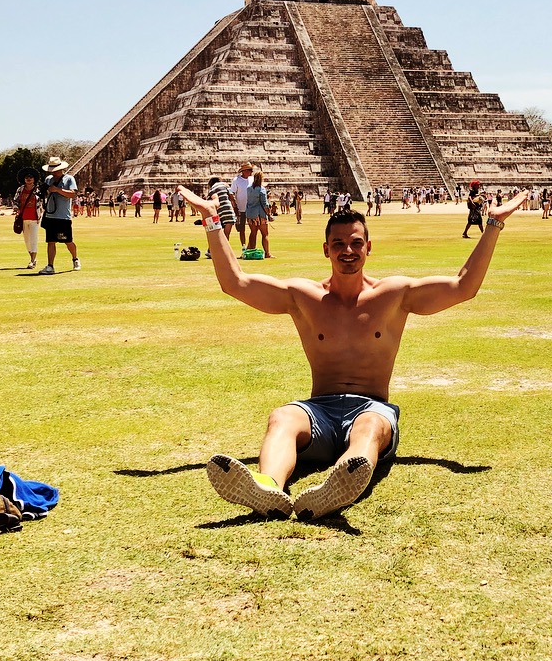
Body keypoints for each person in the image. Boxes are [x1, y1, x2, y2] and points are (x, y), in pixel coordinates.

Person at [178, 184, 531, 520]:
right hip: (318, 411)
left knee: (370, 426)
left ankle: (338, 484)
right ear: (326, 250)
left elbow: (462, 286)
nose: (348, 250)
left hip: (371, 406)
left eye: (356, 243)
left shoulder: (395, 294)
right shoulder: (303, 296)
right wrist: (212, 220)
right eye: (339, 244)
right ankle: (267, 489)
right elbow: (235, 283)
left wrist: (494, 223)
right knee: (282, 418)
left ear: (368, 247)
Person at [38, 156, 80, 273]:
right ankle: (50, 266)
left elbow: (72, 194)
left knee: (67, 241)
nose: (54, 172)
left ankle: (75, 258)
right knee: (51, 241)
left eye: (55, 170)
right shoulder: (48, 179)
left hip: (63, 216)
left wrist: (57, 190)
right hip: (50, 216)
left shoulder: (69, 179)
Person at [13, 168, 40, 269]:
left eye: (31, 177)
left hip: (34, 218)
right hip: (23, 217)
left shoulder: (38, 190)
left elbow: (42, 201)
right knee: (27, 240)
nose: (28, 179)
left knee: (33, 239)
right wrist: (16, 208)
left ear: (34, 179)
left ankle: (32, 261)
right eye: (27, 177)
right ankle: (33, 257)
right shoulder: (20, 189)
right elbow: (15, 200)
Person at [245, 169, 272, 258]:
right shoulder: (261, 189)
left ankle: (251, 251)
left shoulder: (249, 189)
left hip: (250, 214)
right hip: (260, 214)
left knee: (253, 233)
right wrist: (269, 214)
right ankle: (267, 253)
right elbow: (265, 204)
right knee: (265, 234)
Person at [232, 163, 254, 252]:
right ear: (244, 171)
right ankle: (244, 245)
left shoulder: (253, 179)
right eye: (249, 170)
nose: (251, 172)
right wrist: (235, 207)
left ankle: (251, 245)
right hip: (240, 208)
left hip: (251, 207)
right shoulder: (236, 180)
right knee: (241, 229)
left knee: (254, 228)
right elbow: (232, 193)